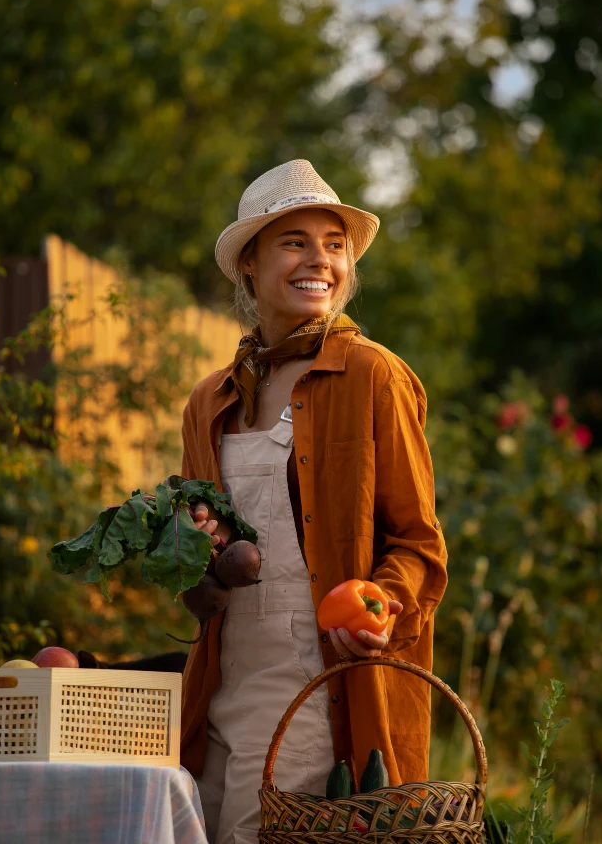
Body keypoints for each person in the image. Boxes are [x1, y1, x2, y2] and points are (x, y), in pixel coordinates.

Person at [179, 159, 448, 844]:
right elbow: (196, 561)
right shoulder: (212, 399)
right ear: (250, 264)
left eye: (333, 244)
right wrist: (191, 561)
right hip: (218, 681)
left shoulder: (371, 375)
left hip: (317, 684)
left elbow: (418, 544)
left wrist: (379, 607)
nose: (319, 260)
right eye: (293, 241)